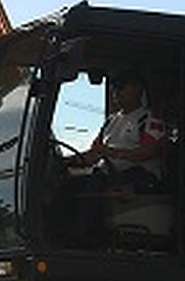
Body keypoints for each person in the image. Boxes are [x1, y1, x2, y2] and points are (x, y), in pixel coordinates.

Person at [64, 72, 167, 246]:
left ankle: (79, 239)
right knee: (72, 184)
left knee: (98, 183)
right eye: (113, 87)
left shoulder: (149, 120)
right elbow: (94, 153)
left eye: (121, 87)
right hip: (108, 173)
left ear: (137, 89)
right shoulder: (110, 121)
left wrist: (111, 152)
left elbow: (147, 152)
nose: (115, 92)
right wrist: (69, 160)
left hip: (142, 175)